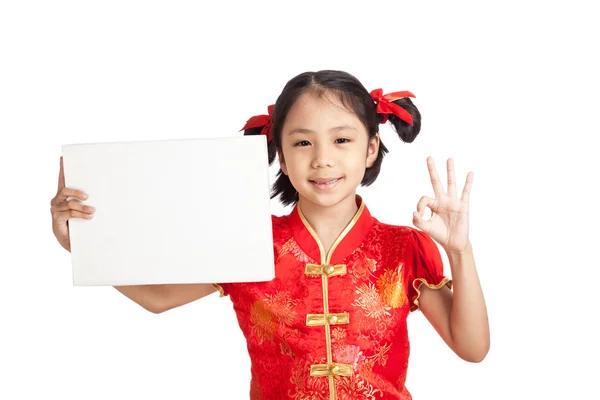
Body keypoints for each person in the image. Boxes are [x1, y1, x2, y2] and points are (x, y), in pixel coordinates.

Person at [50, 70, 489, 399]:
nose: (321, 160)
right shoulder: (247, 238)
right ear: (279, 151)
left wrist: (460, 251)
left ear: (371, 148)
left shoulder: (403, 248)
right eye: (302, 143)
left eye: (341, 140)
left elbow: (472, 348)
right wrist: (79, 242)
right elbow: (159, 297)